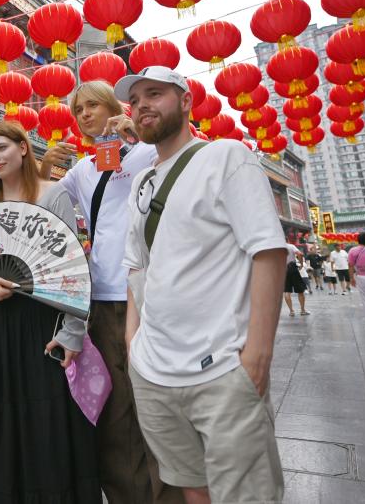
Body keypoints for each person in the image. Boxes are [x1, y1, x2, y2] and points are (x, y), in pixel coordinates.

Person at [118, 67, 287, 504]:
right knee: (191, 486)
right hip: (153, 369)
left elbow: (267, 251)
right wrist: (133, 343)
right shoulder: (141, 182)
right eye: (134, 101)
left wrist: (257, 354)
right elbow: (136, 267)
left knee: (245, 495)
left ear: (186, 101)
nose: (142, 106)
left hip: (223, 367)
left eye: (154, 94)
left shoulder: (226, 156)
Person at [39, 80, 175, 504]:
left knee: (156, 402)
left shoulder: (150, 152)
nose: (84, 115)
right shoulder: (83, 170)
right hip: (101, 300)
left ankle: (172, 494)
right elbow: (41, 206)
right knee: (114, 412)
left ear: (114, 108)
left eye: (92, 106)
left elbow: (185, 159)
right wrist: (42, 168)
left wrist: (136, 135)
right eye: (78, 110)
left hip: (148, 296)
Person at [0, 121, 101, 503]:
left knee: (46, 421)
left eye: (1, 148)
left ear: (23, 148)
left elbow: (76, 267)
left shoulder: (54, 195)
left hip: (46, 324)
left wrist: (72, 334)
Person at [284, 244, 310, 316]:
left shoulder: (277, 248)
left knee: (287, 291)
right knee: (300, 290)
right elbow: (300, 254)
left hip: (283, 269)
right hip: (292, 268)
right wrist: (301, 264)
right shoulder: (291, 246)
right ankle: (302, 310)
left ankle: (291, 311)